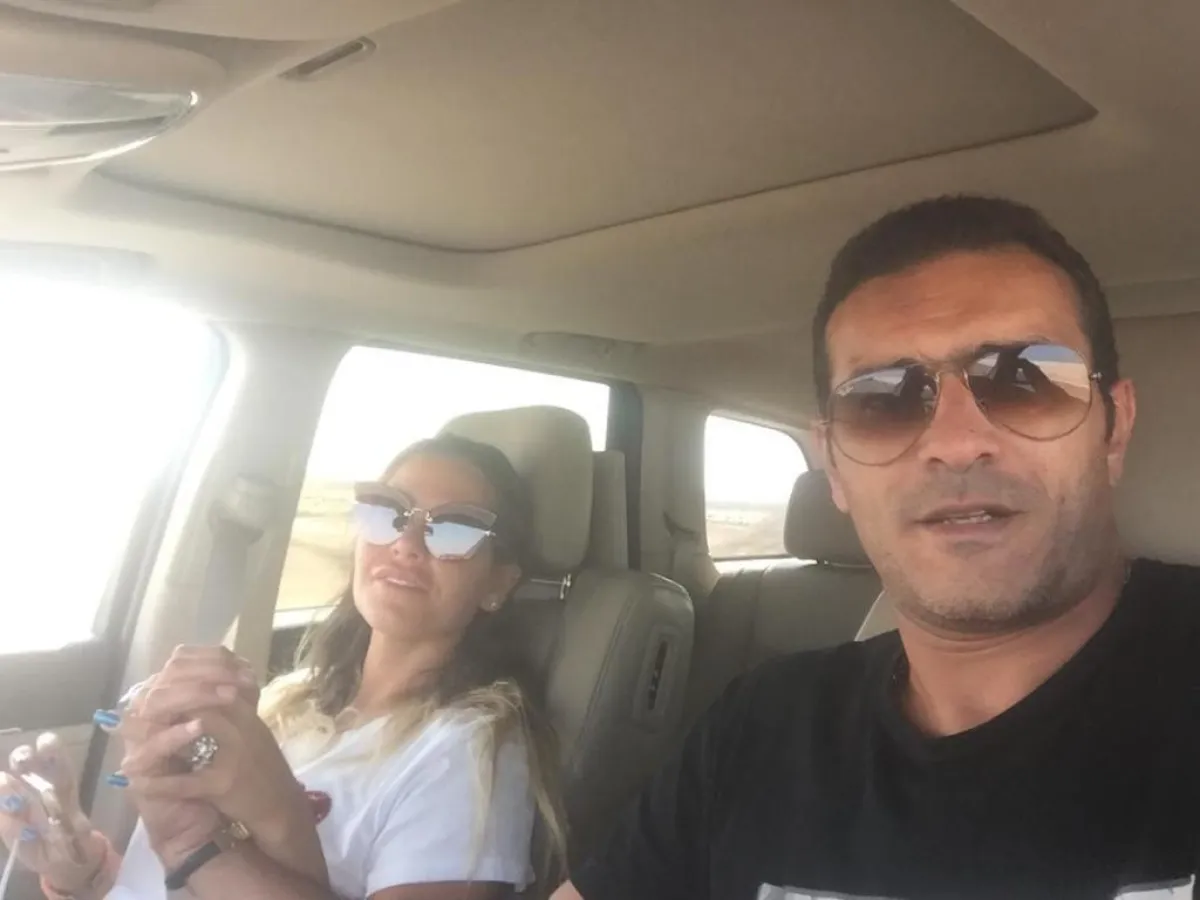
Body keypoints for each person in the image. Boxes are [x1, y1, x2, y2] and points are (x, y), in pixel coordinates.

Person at [557, 195, 1200, 899]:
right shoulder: (760, 728)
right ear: (834, 466)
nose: (955, 442)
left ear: (1114, 428)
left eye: (1028, 379)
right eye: (883, 399)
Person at [0, 434, 566, 900]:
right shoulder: (288, 699)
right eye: (388, 511)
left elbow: (197, 862)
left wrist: (201, 839)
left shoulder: (469, 752)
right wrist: (84, 871)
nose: (407, 543)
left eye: (457, 527)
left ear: (498, 582)